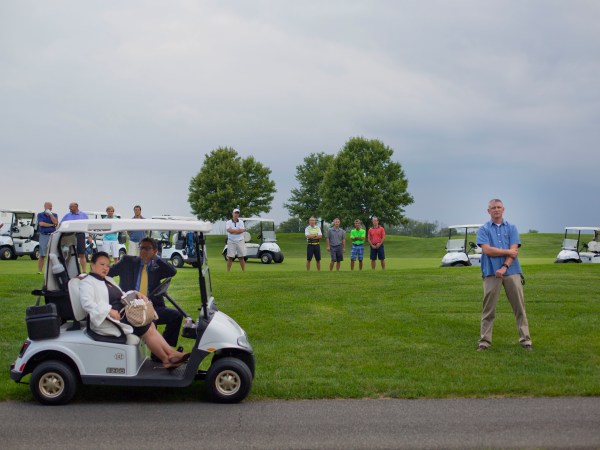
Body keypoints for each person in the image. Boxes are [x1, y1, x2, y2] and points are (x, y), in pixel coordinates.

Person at [80, 252, 189, 369]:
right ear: (92, 265)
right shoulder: (87, 282)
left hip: (123, 314)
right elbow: (87, 303)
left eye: (107, 265)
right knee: (145, 327)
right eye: (102, 264)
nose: (105, 268)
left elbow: (122, 296)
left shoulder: (107, 280)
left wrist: (135, 293)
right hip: (109, 320)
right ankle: (166, 359)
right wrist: (109, 311)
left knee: (150, 324)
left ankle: (170, 354)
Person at [476, 198, 532, 352]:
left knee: (519, 308)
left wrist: (505, 266)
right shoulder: (483, 229)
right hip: (490, 273)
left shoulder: (512, 228)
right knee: (488, 310)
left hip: (512, 272)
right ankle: (484, 342)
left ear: (503, 209)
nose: (496, 210)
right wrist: (507, 251)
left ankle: (526, 340)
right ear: (488, 211)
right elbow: (488, 250)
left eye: (499, 207)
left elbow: (514, 252)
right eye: (493, 208)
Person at [108, 237, 183, 351]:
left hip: (152, 306)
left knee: (176, 316)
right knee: (150, 321)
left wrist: (156, 258)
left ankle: (165, 350)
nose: (143, 251)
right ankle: (163, 353)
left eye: (147, 249)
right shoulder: (127, 261)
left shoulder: (156, 266)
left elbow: (172, 271)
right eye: (141, 248)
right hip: (131, 308)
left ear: (155, 251)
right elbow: (108, 272)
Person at [61, 202, 91, 272]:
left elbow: (89, 226)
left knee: (82, 253)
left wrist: (90, 236)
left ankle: (84, 271)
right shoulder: (67, 216)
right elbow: (61, 225)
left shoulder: (83, 215)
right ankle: (67, 270)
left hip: (80, 235)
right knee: (69, 253)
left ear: (76, 207)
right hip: (70, 235)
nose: (69, 208)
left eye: (71, 207)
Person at [37, 202, 58, 274]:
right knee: (42, 254)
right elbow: (41, 224)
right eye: (49, 207)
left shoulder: (54, 215)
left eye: (51, 207)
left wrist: (51, 214)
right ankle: (39, 271)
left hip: (52, 235)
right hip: (43, 235)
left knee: (52, 254)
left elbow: (56, 222)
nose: (50, 208)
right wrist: (51, 225)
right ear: (45, 207)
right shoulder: (40, 215)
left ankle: (51, 271)